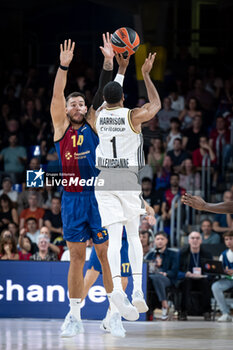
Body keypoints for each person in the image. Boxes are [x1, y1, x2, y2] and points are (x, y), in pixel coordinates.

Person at [50, 36, 136, 337]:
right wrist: (63, 66)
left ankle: (113, 314)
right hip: (73, 199)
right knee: (76, 257)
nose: (76, 106)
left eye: (80, 104)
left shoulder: (94, 124)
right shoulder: (60, 128)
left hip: (98, 198)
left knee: (105, 255)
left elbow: (102, 92)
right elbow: (58, 94)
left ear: (86, 109)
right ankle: (73, 314)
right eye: (73, 103)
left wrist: (109, 64)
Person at [94, 52, 161, 318]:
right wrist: (144, 74)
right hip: (126, 179)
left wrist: (120, 71)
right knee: (133, 236)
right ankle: (136, 291)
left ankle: (117, 294)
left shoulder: (97, 115)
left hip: (103, 180)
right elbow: (155, 104)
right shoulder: (132, 116)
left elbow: (107, 94)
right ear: (123, 98)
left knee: (113, 240)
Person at [177, 231, 212, 320]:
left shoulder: (207, 254)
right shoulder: (182, 253)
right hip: (188, 279)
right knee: (186, 282)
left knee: (205, 282)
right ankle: (183, 311)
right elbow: (176, 271)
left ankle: (207, 311)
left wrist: (204, 275)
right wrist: (185, 274)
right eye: (192, 238)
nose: (195, 240)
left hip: (202, 279)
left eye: (197, 238)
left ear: (201, 241)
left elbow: (212, 272)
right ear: (188, 241)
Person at [147, 232, 179, 320]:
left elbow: (175, 270)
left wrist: (166, 273)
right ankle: (157, 307)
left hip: (167, 278)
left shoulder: (173, 254)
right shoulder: (151, 255)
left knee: (157, 277)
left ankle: (164, 304)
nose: (160, 241)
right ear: (154, 241)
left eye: (162, 239)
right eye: (158, 239)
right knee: (152, 278)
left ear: (166, 241)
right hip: (152, 277)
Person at [211, 231, 233, 322]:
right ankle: (225, 313)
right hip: (228, 280)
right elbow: (220, 269)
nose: (228, 241)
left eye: (231, 239)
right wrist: (223, 272)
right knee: (215, 286)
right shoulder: (223, 255)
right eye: (226, 239)